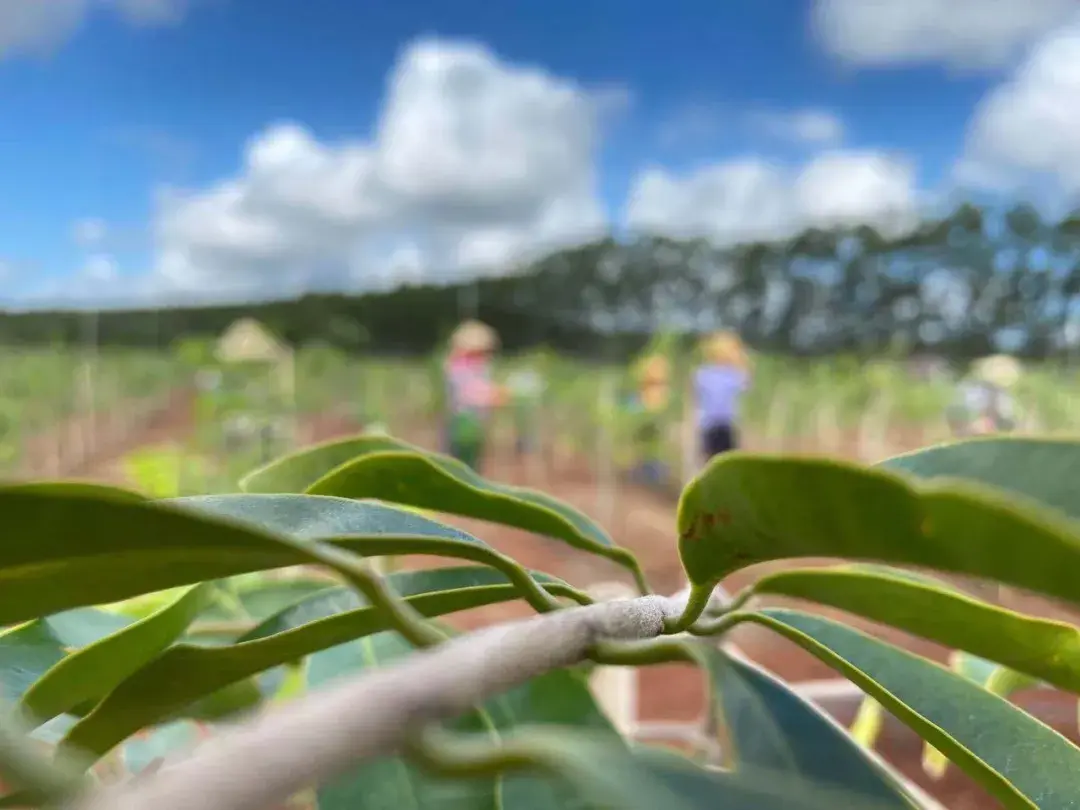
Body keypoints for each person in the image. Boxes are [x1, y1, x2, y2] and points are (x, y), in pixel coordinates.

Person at [442, 320, 507, 471]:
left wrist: (496, 392)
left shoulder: (482, 367)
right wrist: (490, 396)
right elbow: (467, 394)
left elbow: (484, 388)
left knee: (473, 465)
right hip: (462, 424)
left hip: (476, 425)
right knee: (460, 466)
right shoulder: (457, 367)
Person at [693, 331, 750, 460]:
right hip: (710, 426)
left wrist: (740, 358)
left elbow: (746, 384)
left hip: (727, 425)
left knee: (728, 459)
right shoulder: (703, 374)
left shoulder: (732, 374)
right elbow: (697, 401)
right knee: (710, 460)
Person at [946, 354, 1022, 437]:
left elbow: (1004, 415)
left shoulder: (1002, 394)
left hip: (994, 424)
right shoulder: (975, 391)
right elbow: (963, 417)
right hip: (973, 426)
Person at [628, 353, 671, 486]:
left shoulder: (663, 393)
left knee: (654, 456)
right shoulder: (642, 393)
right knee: (646, 455)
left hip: (655, 434)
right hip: (646, 431)